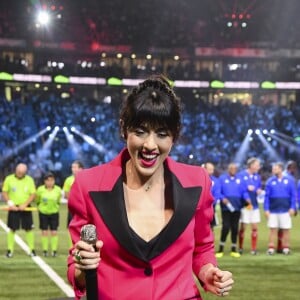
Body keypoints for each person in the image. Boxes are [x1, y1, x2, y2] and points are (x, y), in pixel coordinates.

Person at [67, 75, 233, 300]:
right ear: (124, 129)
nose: (150, 145)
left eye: (162, 134)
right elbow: (76, 272)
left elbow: (202, 249)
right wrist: (82, 267)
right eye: (141, 131)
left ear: (174, 137)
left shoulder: (198, 182)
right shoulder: (88, 185)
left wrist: (208, 272)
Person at [2, 163, 36, 258]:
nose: (20, 173)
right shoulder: (9, 179)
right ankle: (10, 251)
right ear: (16, 170)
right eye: (19, 172)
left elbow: (33, 194)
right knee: (12, 229)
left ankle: (32, 250)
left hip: (26, 207)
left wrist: (25, 204)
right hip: (13, 207)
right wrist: (10, 203)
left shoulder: (29, 180)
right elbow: (4, 191)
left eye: (22, 172)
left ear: (25, 172)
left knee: (29, 228)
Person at [215, 162, 249, 258]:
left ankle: (234, 249)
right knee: (225, 227)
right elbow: (218, 192)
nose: (233, 170)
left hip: (237, 207)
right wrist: (222, 198)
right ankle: (220, 249)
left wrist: (247, 198)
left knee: (235, 228)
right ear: (228, 169)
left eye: (235, 169)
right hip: (226, 208)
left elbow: (244, 192)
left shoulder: (240, 179)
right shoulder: (222, 179)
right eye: (232, 168)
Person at [264, 162, 296, 255]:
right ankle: (271, 248)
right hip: (273, 210)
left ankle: (286, 248)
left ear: (281, 169)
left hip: (285, 209)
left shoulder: (289, 180)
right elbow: (267, 197)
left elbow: (293, 196)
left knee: (286, 229)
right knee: (272, 229)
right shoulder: (270, 181)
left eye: (275, 169)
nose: (273, 170)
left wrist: (293, 207)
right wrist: (266, 209)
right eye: (273, 169)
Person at [238, 157, 262, 255]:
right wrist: (247, 198)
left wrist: (257, 189)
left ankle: (253, 249)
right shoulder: (242, 175)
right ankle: (240, 247)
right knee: (243, 226)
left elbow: (258, 187)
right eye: (257, 165)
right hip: (246, 205)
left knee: (255, 226)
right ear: (251, 165)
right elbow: (241, 189)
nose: (258, 167)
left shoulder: (257, 176)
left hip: (254, 205)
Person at [36, 172, 62, 257]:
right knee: (44, 231)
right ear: (44, 181)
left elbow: (58, 201)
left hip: (54, 213)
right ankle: (45, 250)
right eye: (48, 180)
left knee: (54, 232)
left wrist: (56, 207)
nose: (50, 182)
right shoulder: (40, 190)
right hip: (43, 213)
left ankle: (54, 251)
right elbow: (37, 200)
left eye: (51, 180)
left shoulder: (58, 190)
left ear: (54, 181)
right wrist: (40, 207)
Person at [63, 160, 84, 226]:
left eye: (75, 167)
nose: (73, 169)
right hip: (73, 208)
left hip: (83, 207)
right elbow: (66, 194)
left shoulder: (86, 179)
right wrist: (74, 202)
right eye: (72, 167)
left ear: (80, 169)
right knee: (72, 226)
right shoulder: (68, 180)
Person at [203, 162, 222, 228]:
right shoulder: (199, 179)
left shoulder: (215, 181)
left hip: (210, 207)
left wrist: (211, 203)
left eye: (212, 169)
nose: (212, 171)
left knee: (211, 227)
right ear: (204, 169)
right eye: (210, 169)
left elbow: (217, 194)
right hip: (199, 207)